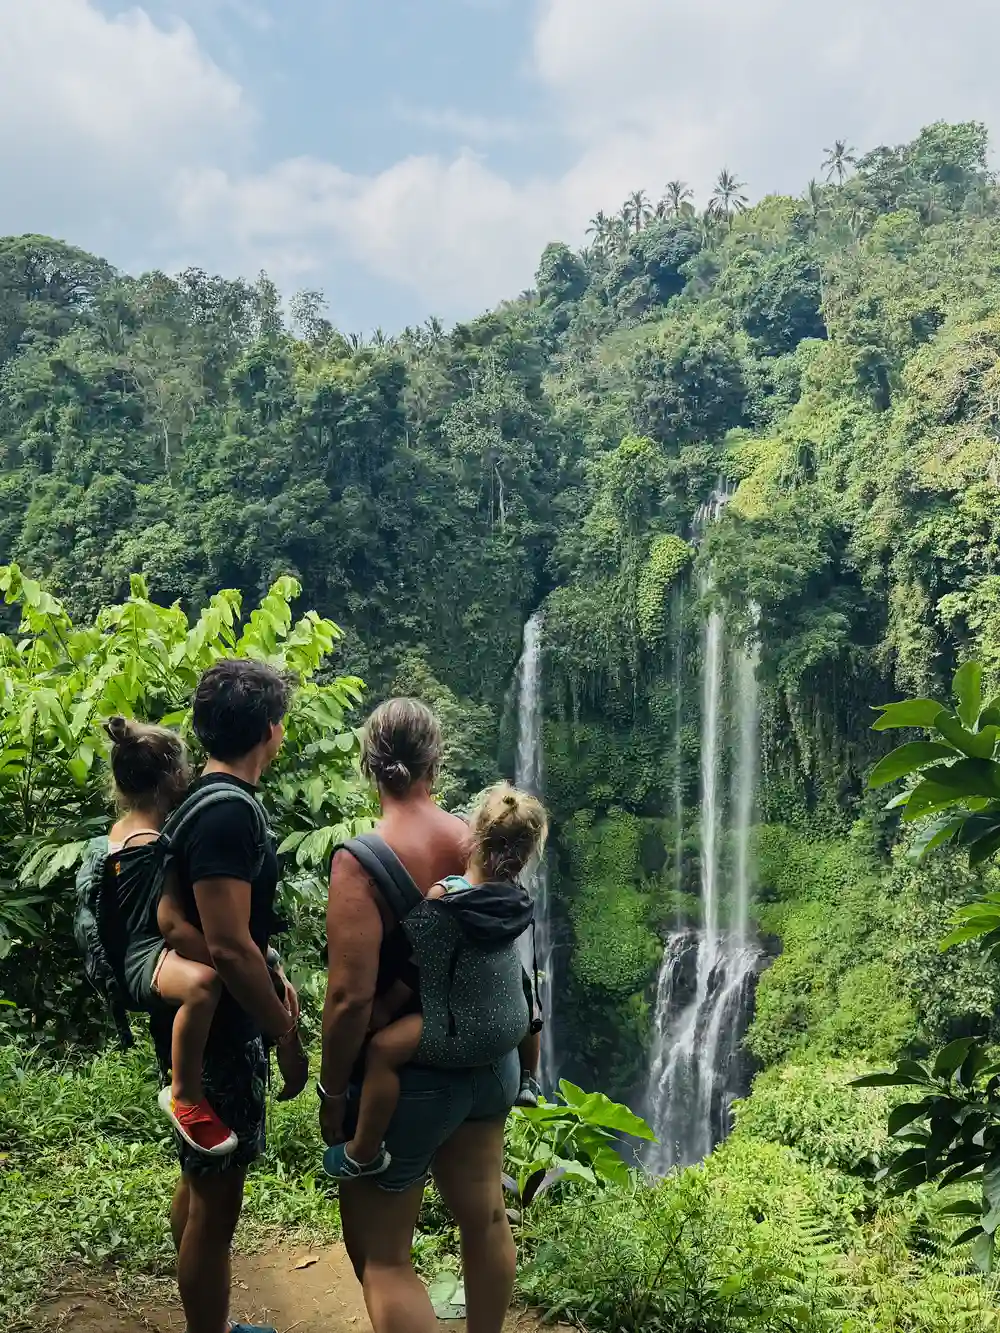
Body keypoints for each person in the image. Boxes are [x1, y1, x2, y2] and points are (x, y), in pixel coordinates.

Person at [320, 698, 530, 1333]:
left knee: (384, 1259)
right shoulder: (480, 843)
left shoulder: (361, 859)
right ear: (436, 761)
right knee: (485, 1220)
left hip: (410, 1079)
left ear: (370, 767)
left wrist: (333, 1093)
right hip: (492, 1061)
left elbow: (349, 999)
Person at [155, 659, 310, 1333]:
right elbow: (226, 943)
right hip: (221, 1034)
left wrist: (270, 963)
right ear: (271, 731)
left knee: (199, 1181)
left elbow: (233, 934)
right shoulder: (226, 812)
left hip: (204, 1021)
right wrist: (286, 1032)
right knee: (218, 1208)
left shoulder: (201, 801)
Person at [323, 781, 548, 1180]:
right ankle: (530, 1081)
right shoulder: (517, 897)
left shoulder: (446, 897)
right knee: (531, 999)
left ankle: (364, 1150)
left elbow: (417, 968)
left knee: (382, 1052)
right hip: (509, 1033)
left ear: (473, 837)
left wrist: (387, 1007)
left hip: (459, 1028)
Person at [104, 716, 237, 1156]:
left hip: (130, 949)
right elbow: (172, 926)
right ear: (175, 776)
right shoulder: (150, 842)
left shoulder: (124, 827)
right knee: (204, 986)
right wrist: (232, 962)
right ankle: (185, 1095)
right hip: (143, 955)